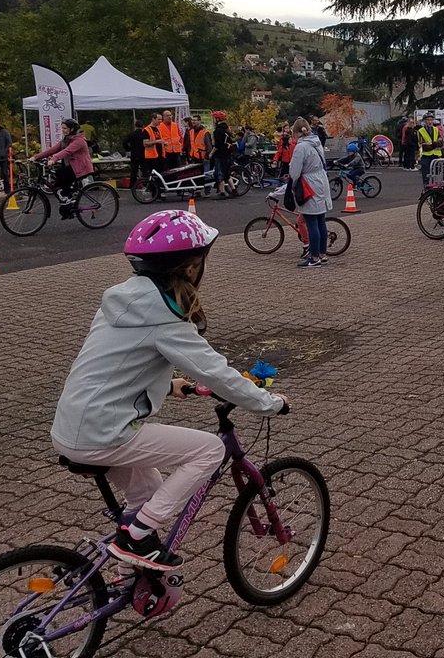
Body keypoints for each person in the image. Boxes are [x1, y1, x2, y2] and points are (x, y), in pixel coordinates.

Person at [50, 209, 288, 570]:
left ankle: (124, 577)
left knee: (146, 492)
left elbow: (115, 363)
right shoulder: (164, 315)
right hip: (104, 433)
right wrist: (269, 403)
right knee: (209, 451)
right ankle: (136, 537)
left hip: (72, 427)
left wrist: (170, 383)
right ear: (191, 268)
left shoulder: (123, 300)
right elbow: (215, 372)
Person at [289, 117, 334, 267]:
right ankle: (322, 254)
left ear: (295, 132)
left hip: (309, 184)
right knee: (321, 220)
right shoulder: (316, 143)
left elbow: (294, 172)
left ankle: (313, 258)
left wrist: (291, 184)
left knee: (311, 222)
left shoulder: (301, 147)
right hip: (321, 181)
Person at [33, 119, 93, 218]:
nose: (63, 130)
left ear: (72, 129)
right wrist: (36, 157)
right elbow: (53, 149)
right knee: (59, 176)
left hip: (81, 168)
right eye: (62, 128)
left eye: (65, 128)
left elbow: (67, 151)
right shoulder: (66, 139)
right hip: (71, 166)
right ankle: (68, 200)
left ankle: (69, 199)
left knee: (63, 176)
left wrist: (54, 159)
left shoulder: (79, 141)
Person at [208, 111, 234, 199]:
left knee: (219, 173)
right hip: (228, 153)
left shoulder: (218, 131)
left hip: (220, 154)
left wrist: (211, 154)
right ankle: (234, 190)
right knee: (226, 173)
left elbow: (217, 145)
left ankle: (222, 192)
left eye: (214, 118)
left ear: (217, 119)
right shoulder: (227, 129)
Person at [416, 112, 442, 185]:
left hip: (436, 156)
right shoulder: (421, 131)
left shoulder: (436, 129)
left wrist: (431, 143)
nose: (430, 122)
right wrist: (435, 143)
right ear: (424, 121)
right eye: (428, 120)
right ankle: (426, 190)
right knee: (426, 176)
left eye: (431, 120)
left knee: (436, 176)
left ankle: (435, 190)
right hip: (426, 156)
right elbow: (424, 146)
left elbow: (440, 143)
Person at [123, 122, 149, 187]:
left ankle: (132, 185)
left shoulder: (131, 134)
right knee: (145, 170)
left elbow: (124, 142)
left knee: (134, 171)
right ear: (143, 126)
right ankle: (146, 184)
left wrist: (128, 149)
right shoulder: (145, 134)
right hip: (143, 154)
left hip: (134, 154)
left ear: (135, 126)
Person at [141, 113, 165, 182]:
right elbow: (145, 143)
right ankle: (153, 190)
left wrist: (163, 143)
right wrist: (157, 141)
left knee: (160, 174)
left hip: (160, 155)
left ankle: (159, 189)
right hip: (151, 157)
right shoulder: (147, 130)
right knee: (153, 175)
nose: (160, 121)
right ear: (153, 119)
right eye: (159, 119)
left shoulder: (158, 129)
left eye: (161, 119)